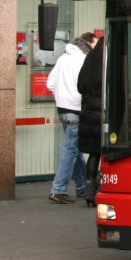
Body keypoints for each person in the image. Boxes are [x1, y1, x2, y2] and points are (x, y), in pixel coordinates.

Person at [47, 32, 97, 204]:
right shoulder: (85, 60)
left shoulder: (62, 58)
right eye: (95, 43)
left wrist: (62, 97)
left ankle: (82, 188)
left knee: (75, 148)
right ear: (88, 43)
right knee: (72, 148)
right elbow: (86, 84)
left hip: (62, 109)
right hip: (76, 109)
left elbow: (50, 83)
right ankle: (58, 189)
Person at [77, 35, 104, 207]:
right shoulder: (106, 61)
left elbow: (80, 86)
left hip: (87, 113)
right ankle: (102, 189)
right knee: (107, 152)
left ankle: (89, 190)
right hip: (102, 114)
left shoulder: (89, 59)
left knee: (93, 154)